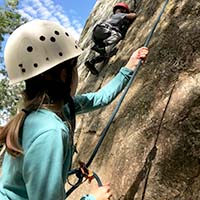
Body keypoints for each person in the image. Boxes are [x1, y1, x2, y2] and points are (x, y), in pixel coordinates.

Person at [0, 19, 148, 200]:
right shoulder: (50, 132)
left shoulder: (51, 111)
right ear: (64, 74)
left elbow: (100, 98)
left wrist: (129, 66)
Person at [85, 2, 137, 75]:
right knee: (118, 35)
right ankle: (100, 45)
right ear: (123, 10)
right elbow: (133, 16)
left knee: (104, 55)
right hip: (104, 30)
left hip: (97, 33)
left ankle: (92, 62)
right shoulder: (119, 15)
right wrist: (132, 13)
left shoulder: (114, 17)